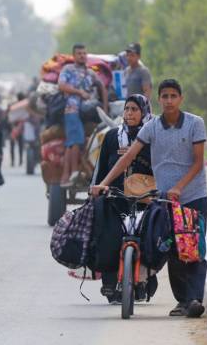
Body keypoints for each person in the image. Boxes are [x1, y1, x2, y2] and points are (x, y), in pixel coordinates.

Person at [91, 79, 207, 318]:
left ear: (180, 98)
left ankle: (194, 298)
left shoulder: (195, 123)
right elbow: (128, 157)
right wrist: (103, 183)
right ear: (159, 99)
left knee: (192, 248)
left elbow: (198, 162)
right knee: (173, 250)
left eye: (173, 96)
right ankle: (183, 301)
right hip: (164, 199)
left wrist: (179, 187)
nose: (168, 100)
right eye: (164, 96)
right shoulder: (152, 127)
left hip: (192, 196)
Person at [92, 94, 154, 303]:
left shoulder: (153, 137)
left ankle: (145, 280)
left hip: (145, 198)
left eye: (135, 109)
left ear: (144, 112)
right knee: (108, 236)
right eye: (127, 109)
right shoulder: (111, 137)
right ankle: (109, 284)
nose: (129, 113)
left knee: (150, 237)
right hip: (115, 197)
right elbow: (101, 170)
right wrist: (98, 189)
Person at [58, 43, 108, 187]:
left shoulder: (91, 73)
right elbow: (61, 86)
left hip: (86, 111)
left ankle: (66, 177)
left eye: (84, 53)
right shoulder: (68, 69)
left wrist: (104, 108)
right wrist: (79, 92)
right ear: (74, 56)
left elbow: (102, 87)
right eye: (79, 53)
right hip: (71, 108)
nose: (82, 56)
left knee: (72, 142)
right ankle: (73, 172)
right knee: (77, 139)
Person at [9, 93, 26, 167]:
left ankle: (13, 161)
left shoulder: (13, 106)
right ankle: (20, 160)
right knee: (20, 145)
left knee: (12, 145)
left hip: (14, 127)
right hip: (21, 127)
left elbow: (9, 117)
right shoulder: (25, 106)